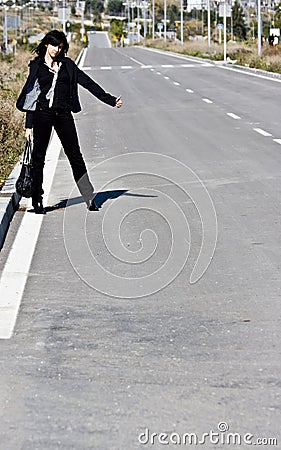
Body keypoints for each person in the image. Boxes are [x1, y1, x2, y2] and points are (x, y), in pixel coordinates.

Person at [16, 30, 122, 214]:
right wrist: (28, 125)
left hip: (63, 114)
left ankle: (89, 197)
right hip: (42, 114)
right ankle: (37, 199)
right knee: (38, 158)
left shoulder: (68, 66)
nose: (57, 50)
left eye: (60, 46)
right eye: (54, 45)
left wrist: (110, 100)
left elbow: (88, 83)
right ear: (46, 45)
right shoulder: (37, 67)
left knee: (75, 156)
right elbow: (31, 97)